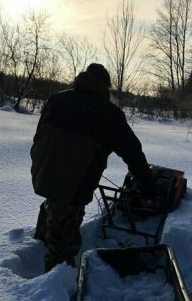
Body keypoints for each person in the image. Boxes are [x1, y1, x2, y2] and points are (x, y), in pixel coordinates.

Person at [30, 63, 153, 272]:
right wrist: (146, 180)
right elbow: (131, 150)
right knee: (63, 244)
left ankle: (38, 247)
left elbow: (39, 136)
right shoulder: (108, 113)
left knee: (54, 206)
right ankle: (54, 292)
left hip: (43, 171)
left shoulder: (57, 99)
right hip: (74, 183)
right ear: (105, 86)